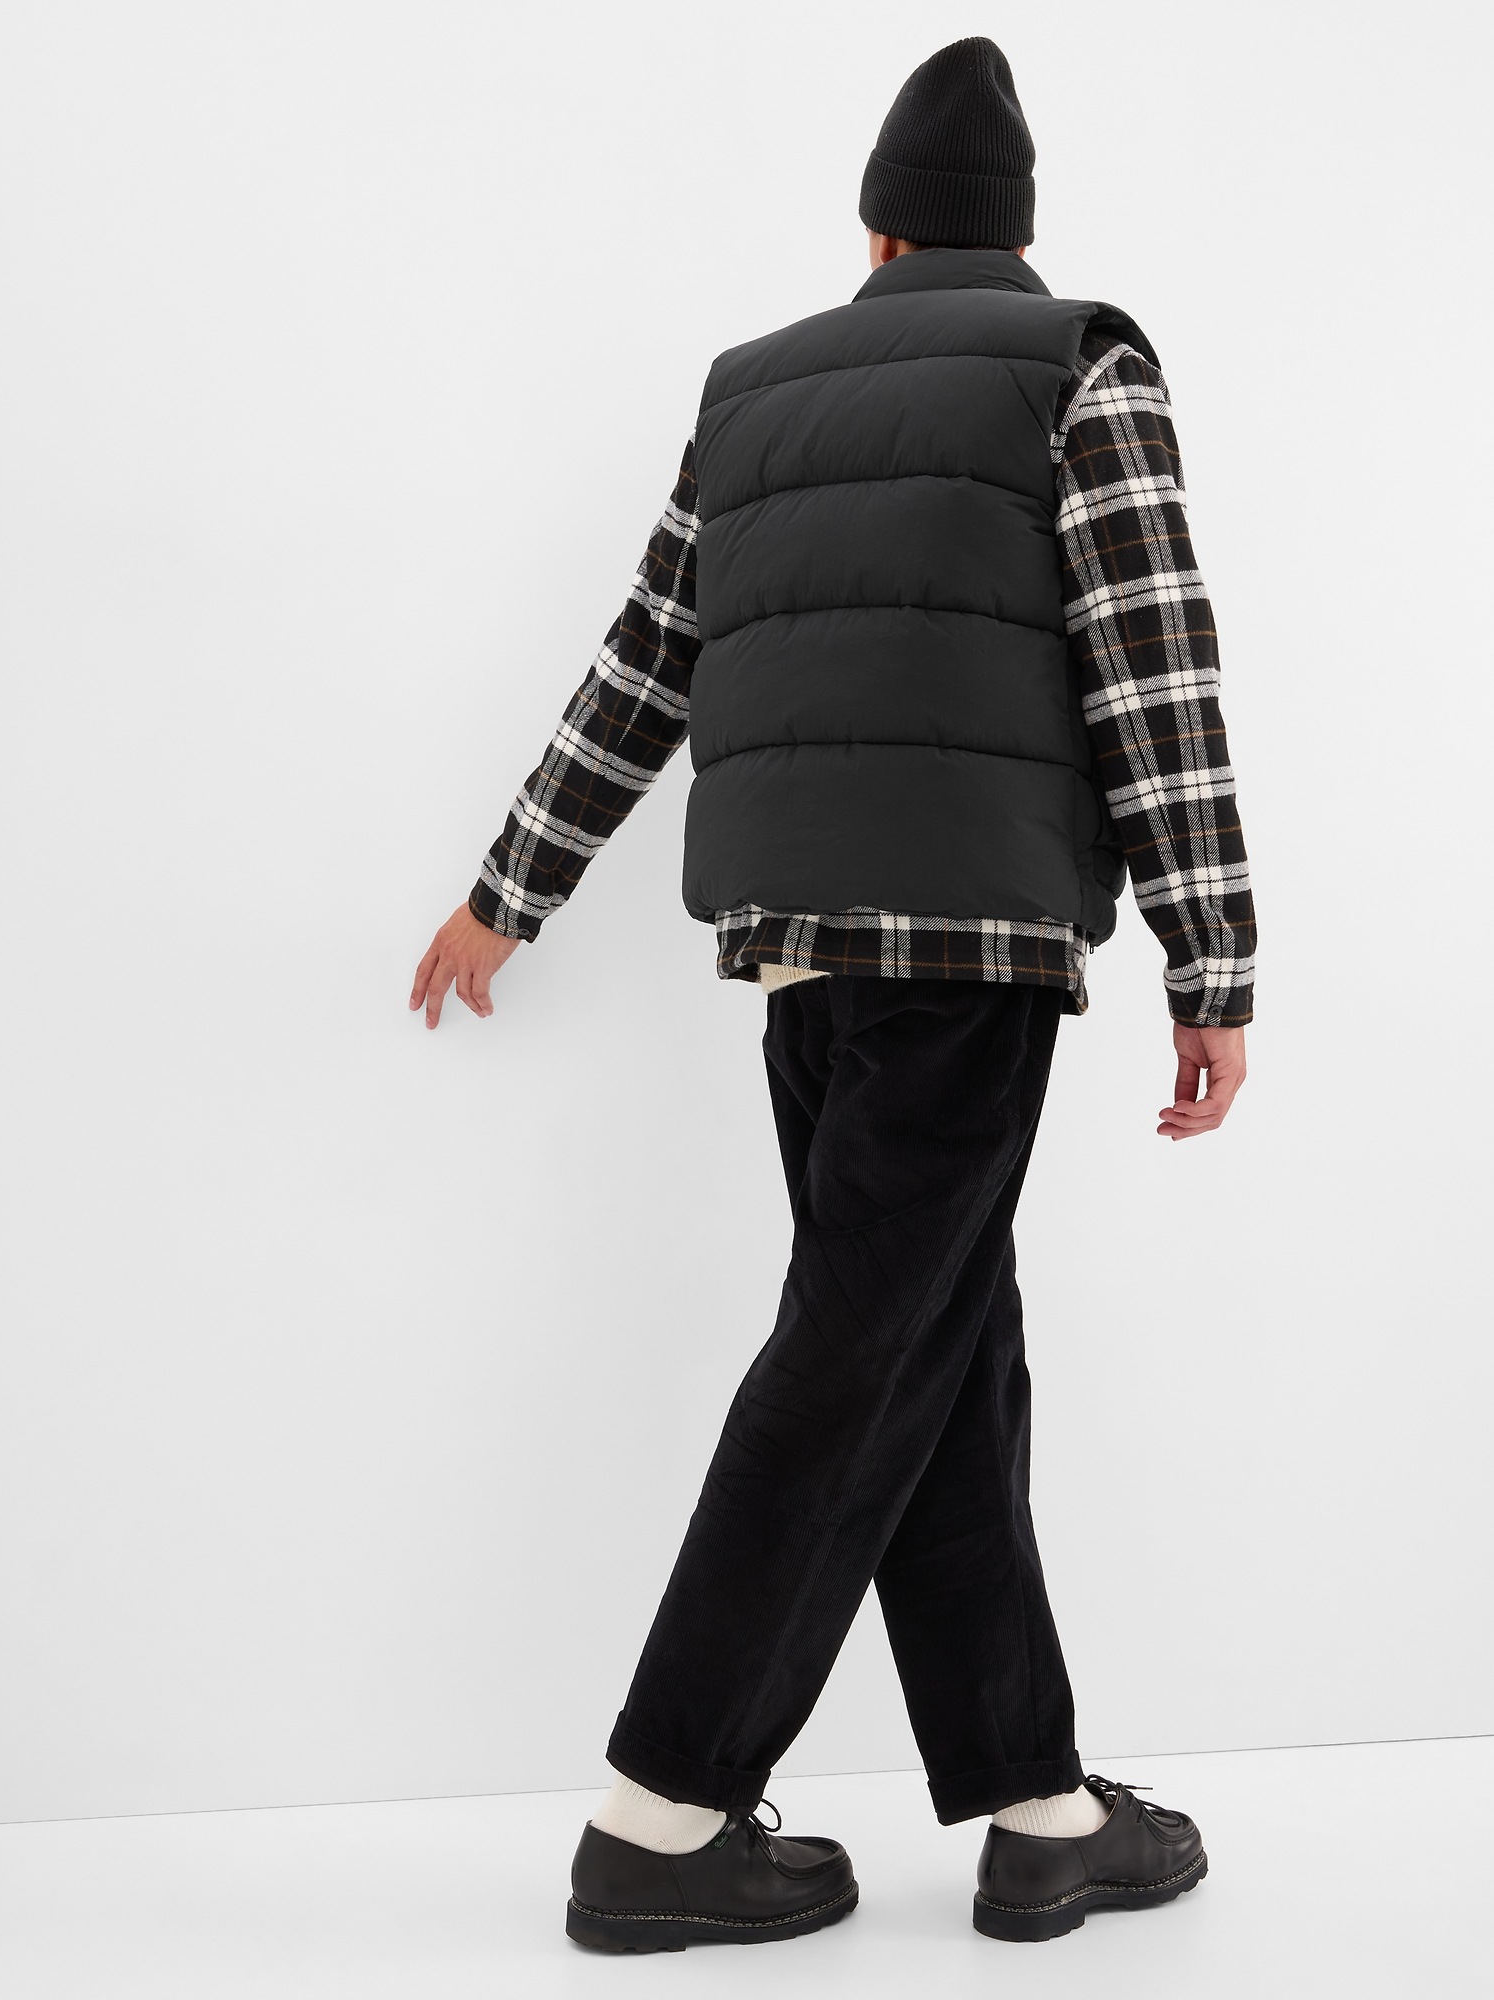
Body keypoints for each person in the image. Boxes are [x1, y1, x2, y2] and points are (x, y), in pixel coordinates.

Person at [410, 35, 1253, 1951]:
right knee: (861, 1353)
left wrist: (506, 894)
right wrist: (1213, 958)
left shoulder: (757, 391)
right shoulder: (1081, 367)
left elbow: (648, 661)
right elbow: (1154, 670)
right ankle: (659, 1817)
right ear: (1015, 235)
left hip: (798, 947)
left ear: (876, 231)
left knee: (936, 1349)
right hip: (972, 954)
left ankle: (1038, 1808)